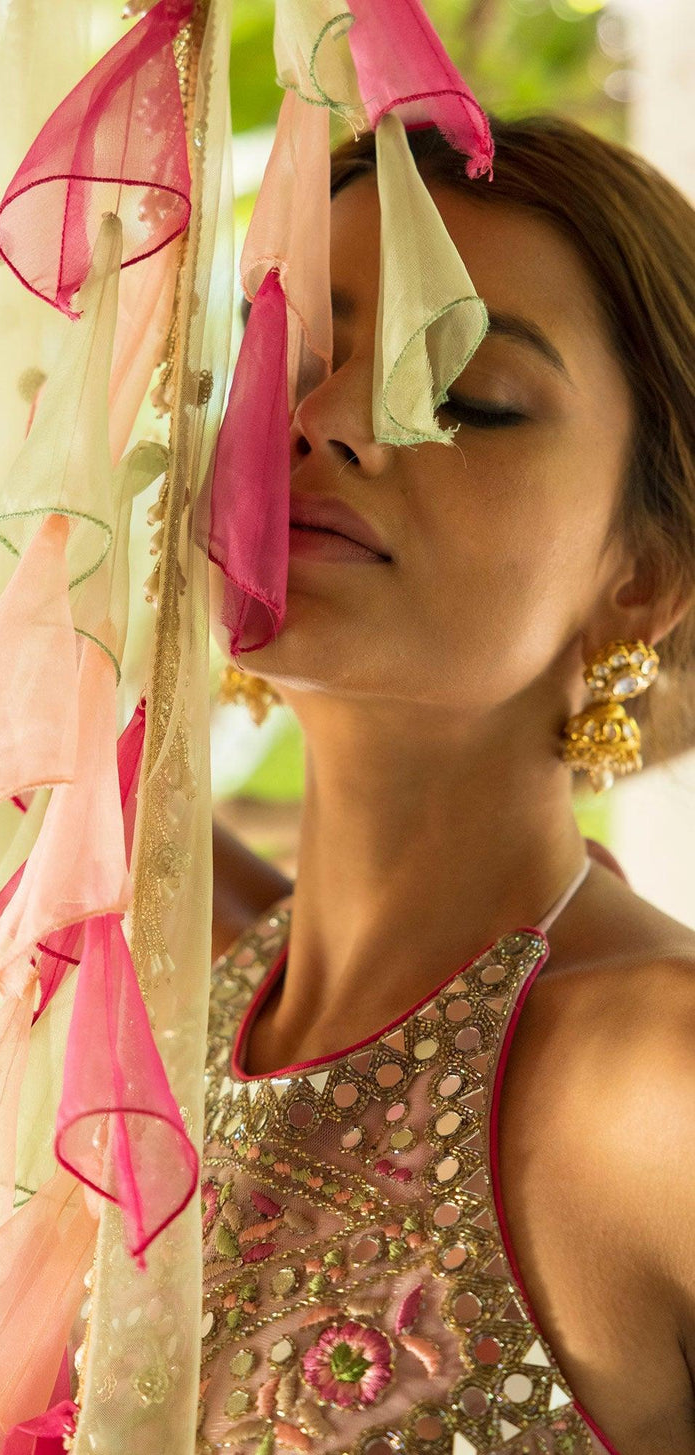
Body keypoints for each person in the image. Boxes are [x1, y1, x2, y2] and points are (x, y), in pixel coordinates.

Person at [205, 116, 695, 1455]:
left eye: (467, 397)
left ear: (641, 579)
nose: (320, 424)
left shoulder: (656, 1088)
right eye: (292, 360)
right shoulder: (155, 971)